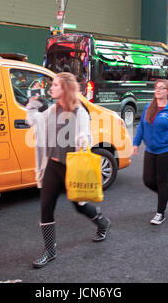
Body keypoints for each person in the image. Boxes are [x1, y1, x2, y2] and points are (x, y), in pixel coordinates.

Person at [26, 72, 111, 269]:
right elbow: (35, 122)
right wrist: (32, 105)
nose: (50, 88)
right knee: (46, 207)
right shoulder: (53, 110)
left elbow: (86, 135)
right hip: (53, 166)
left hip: (71, 168)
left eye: (54, 85)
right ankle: (50, 250)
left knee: (79, 205)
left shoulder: (78, 112)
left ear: (65, 88)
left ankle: (103, 223)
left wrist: (82, 139)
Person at [132, 79, 168, 225]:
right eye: (156, 88)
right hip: (151, 149)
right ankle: (164, 193)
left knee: (161, 180)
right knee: (148, 181)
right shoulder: (148, 107)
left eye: (162, 88)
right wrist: (136, 143)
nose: (157, 90)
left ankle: (160, 213)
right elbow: (141, 127)